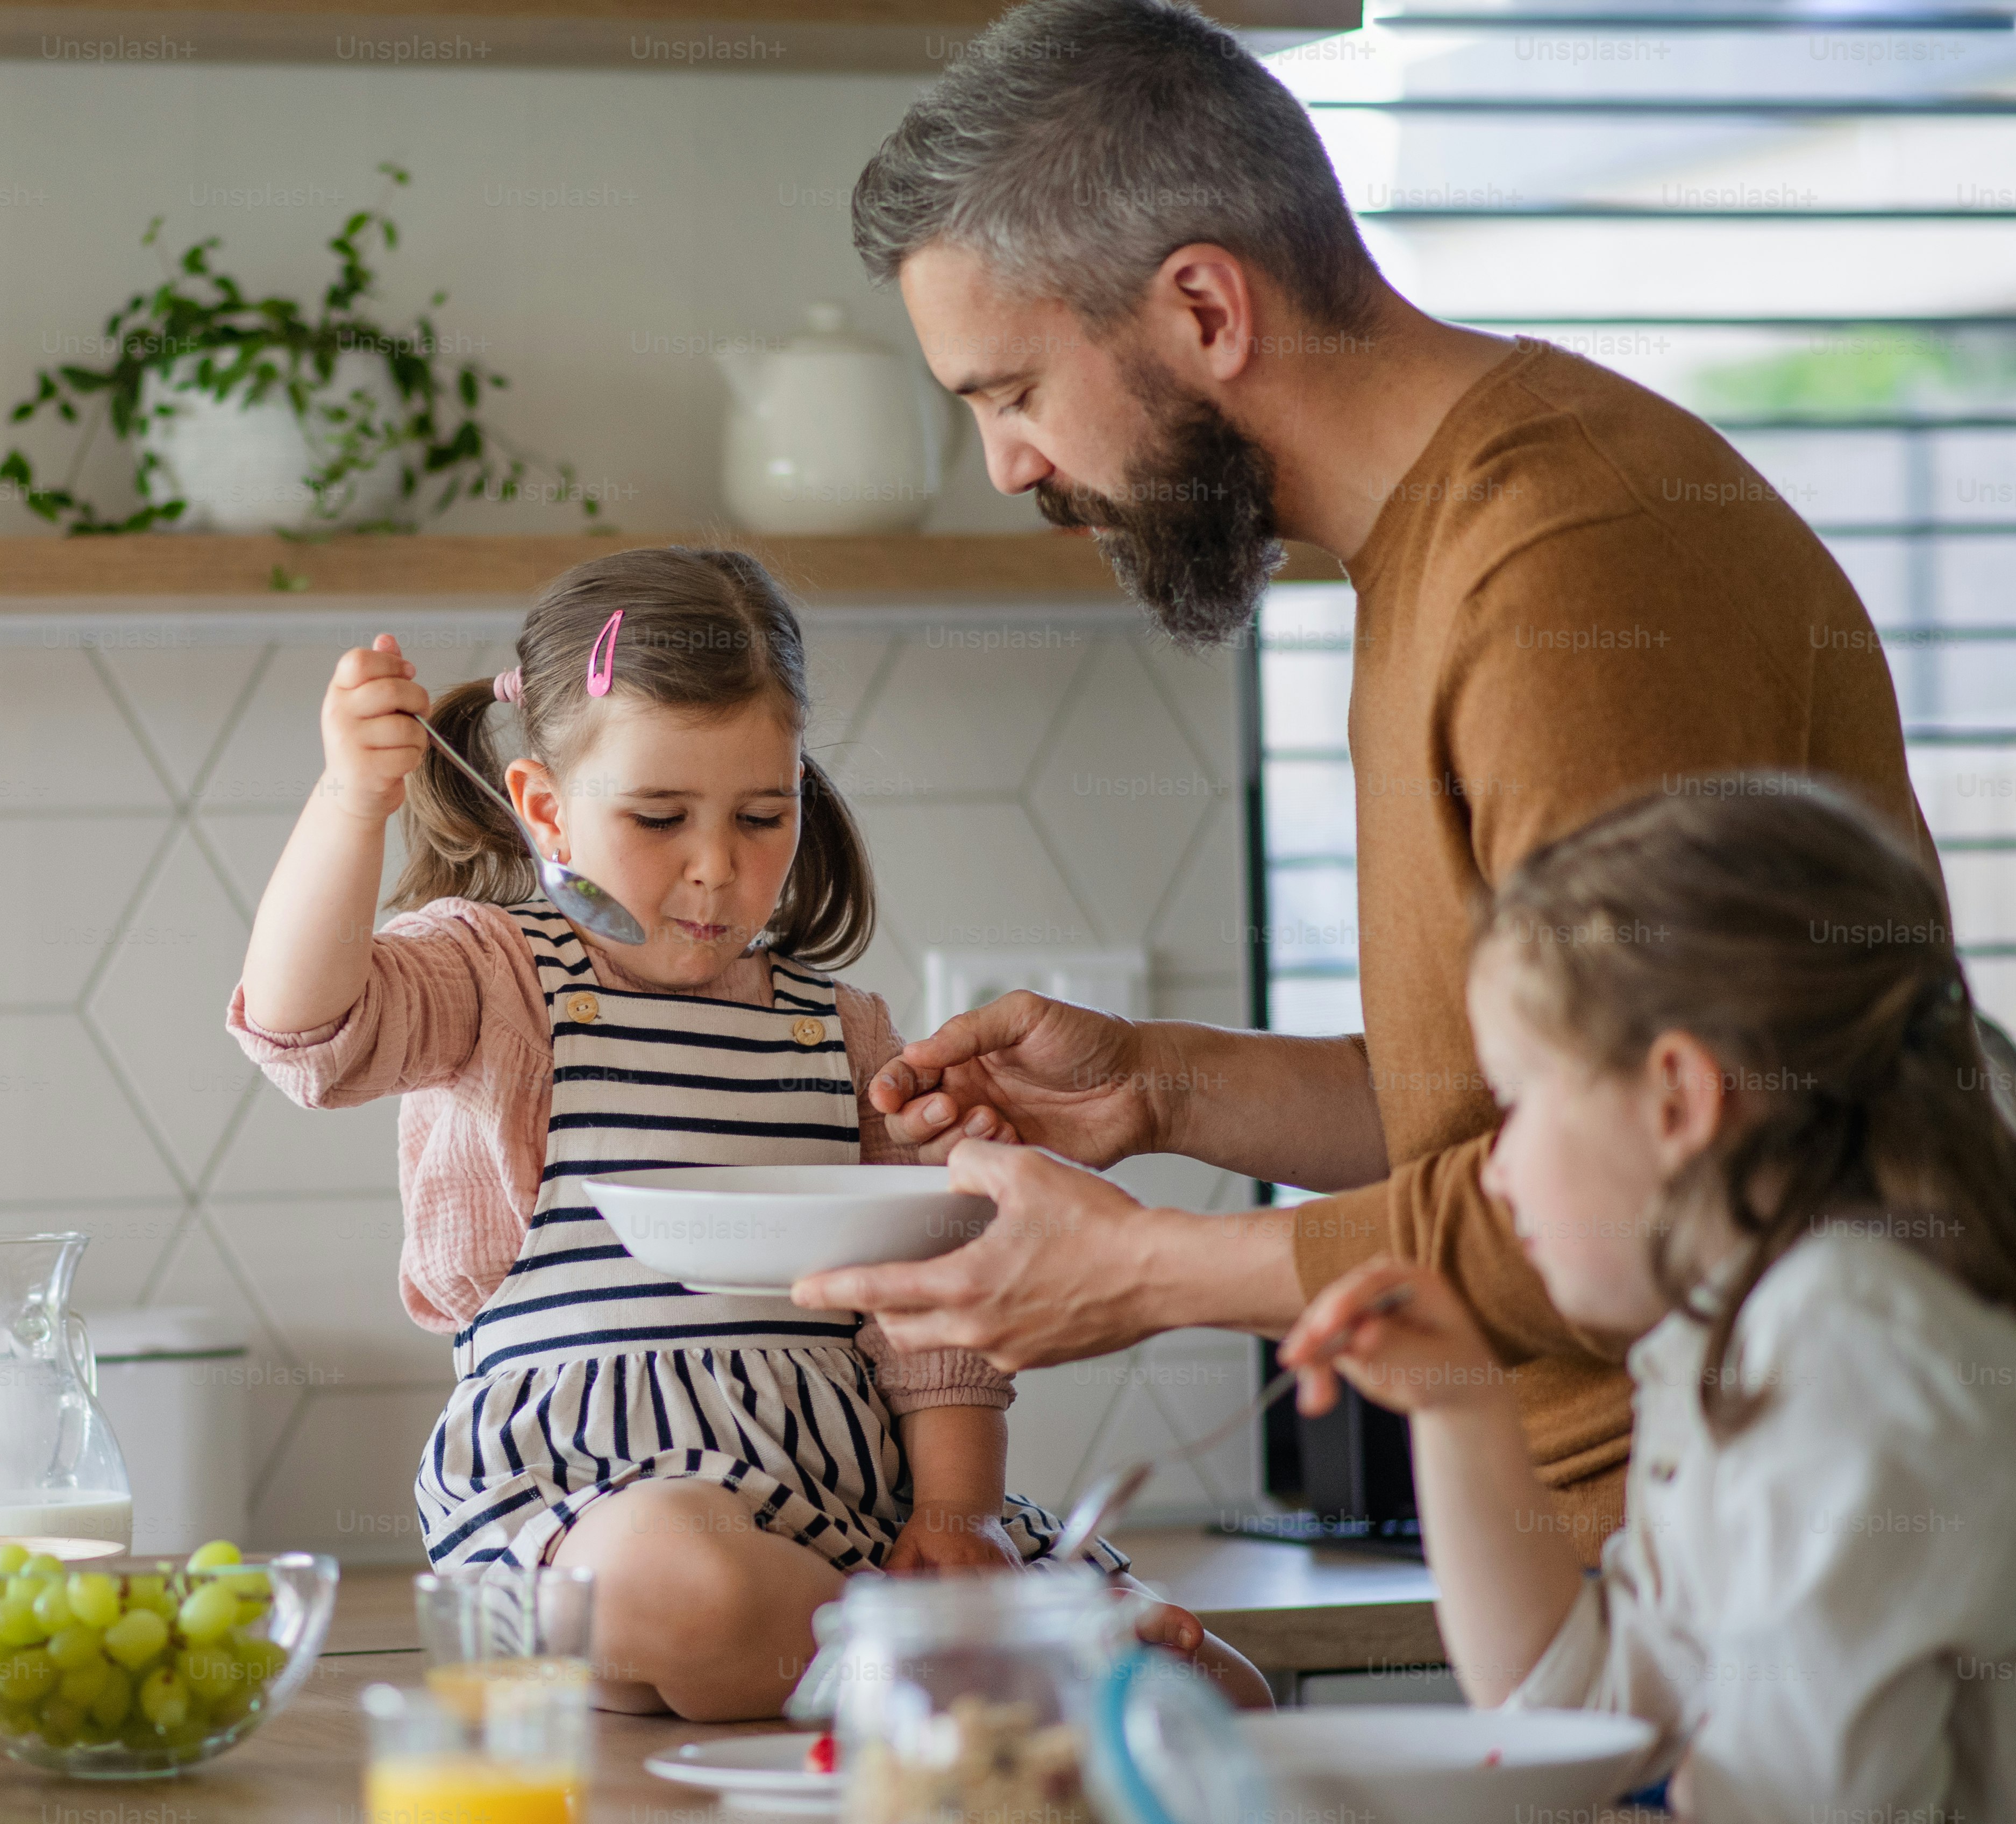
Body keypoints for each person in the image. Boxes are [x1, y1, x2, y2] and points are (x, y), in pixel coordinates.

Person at [803, 0, 1929, 1554]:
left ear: (1202, 309)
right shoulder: (1432, 549)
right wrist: (1160, 1087)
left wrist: (1145, 1275)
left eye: (1007, 393)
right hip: (1643, 1562)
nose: (1008, 467)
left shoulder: (1565, 569)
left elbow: (1666, 1175)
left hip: (1775, 1577)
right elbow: (1497, 1121)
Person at [227, 545, 1263, 1720]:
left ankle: (920, 1663)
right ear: (545, 811)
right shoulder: (500, 979)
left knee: (1225, 1694)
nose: (715, 868)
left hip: (850, 1511)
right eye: (659, 816)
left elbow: (935, 1302)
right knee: (691, 1584)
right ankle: (967, 1676)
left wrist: (953, 1519)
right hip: (596, 1513)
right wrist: (347, 803)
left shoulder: (839, 1028)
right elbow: (304, 1031)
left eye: (761, 815)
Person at [1281, 780, 2016, 1824]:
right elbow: (1578, 1708)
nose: (1493, 1163)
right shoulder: (1722, 1338)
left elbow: (1809, 1820)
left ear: (1675, 1098)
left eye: (1516, 1099)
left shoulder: (1846, 1339)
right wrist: (1459, 1405)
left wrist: (1687, 1772)